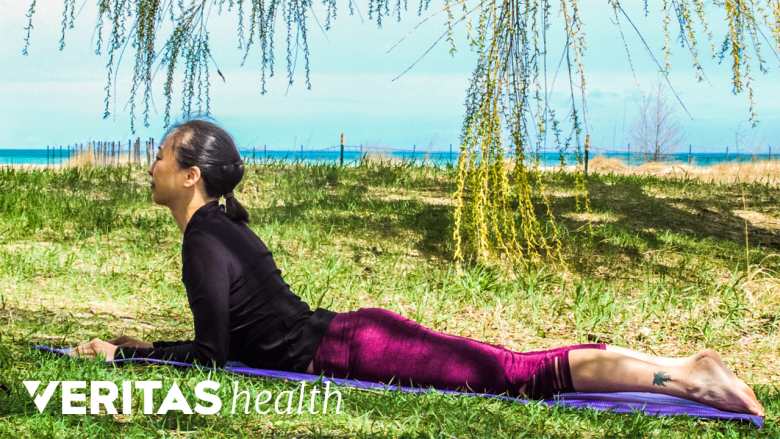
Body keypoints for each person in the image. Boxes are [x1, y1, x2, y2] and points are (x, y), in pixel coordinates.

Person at [69, 119, 764, 417]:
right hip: (353, 337)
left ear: (190, 174)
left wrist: (126, 357)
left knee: (518, 375)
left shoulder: (203, 239)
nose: (150, 166)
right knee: (513, 368)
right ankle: (680, 366)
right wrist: (146, 346)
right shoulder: (221, 227)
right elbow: (223, 344)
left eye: (160, 156)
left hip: (352, 349)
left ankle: (684, 376)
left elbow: (212, 359)